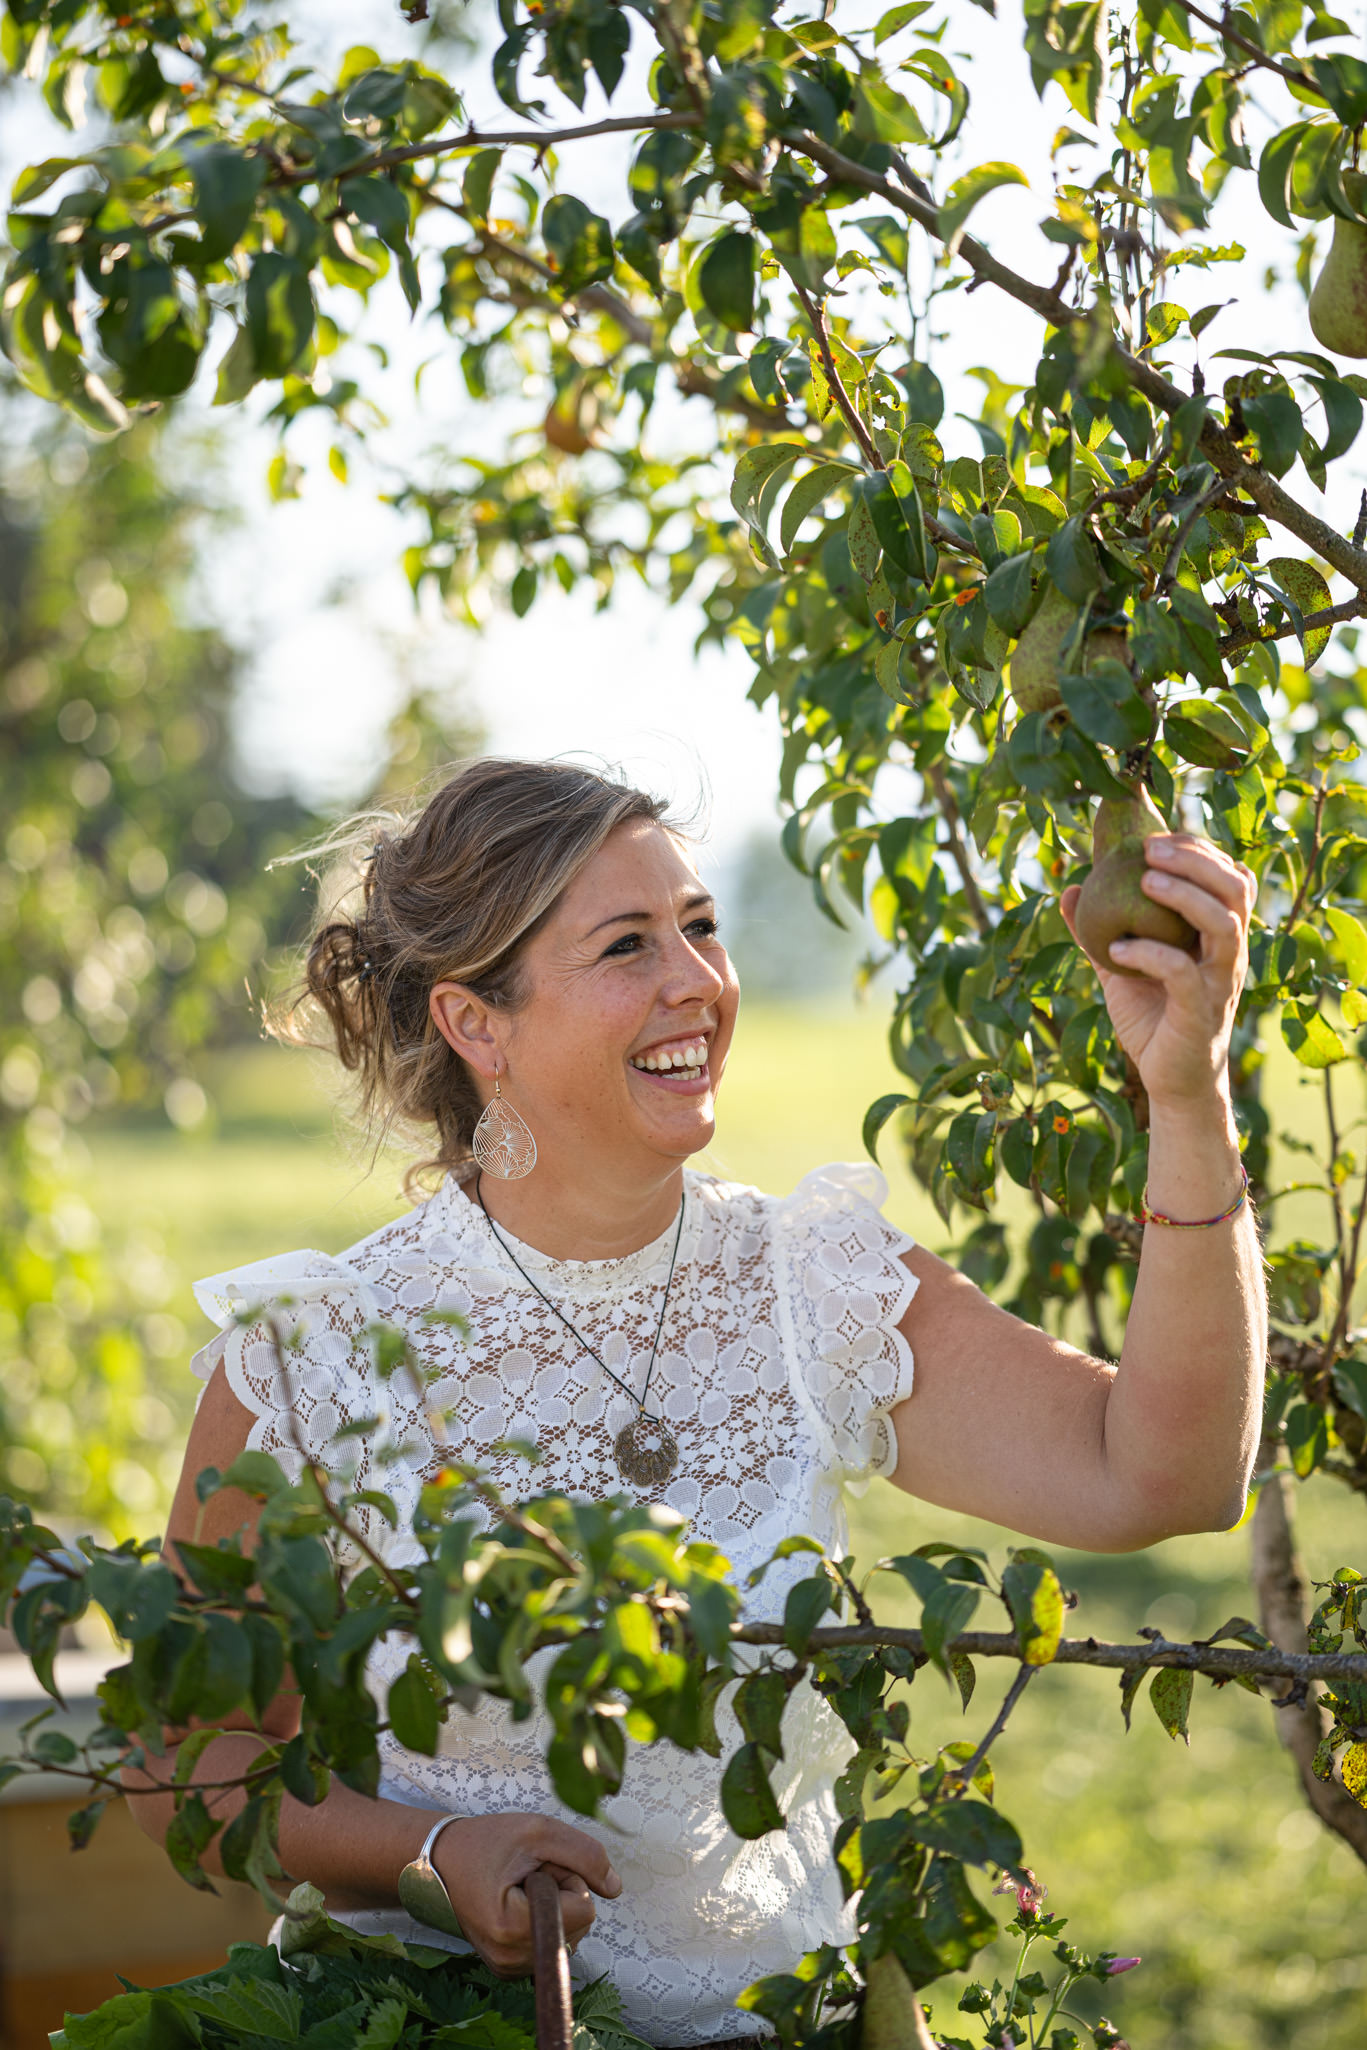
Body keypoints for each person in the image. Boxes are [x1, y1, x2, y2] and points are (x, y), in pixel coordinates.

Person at [128, 757, 1264, 2047]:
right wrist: (430, 1850)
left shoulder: (813, 1284)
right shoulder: (312, 1355)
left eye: (701, 927)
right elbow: (189, 1759)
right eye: (627, 945)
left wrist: (1187, 1091)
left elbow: (1164, 1475)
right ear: (475, 1023)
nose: (698, 984)